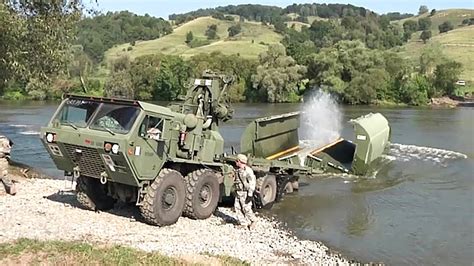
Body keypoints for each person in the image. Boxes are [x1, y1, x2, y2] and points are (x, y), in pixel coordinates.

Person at [233, 153, 257, 230]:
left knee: (246, 208)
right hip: (238, 192)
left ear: (240, 161)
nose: (236, 162)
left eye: (237, 161)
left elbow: (252, 182)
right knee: (237, 207)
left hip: (245, 192)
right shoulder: (238, 170)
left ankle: (253, 221)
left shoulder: (248, 171)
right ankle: (243, 223)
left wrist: (250, 194)